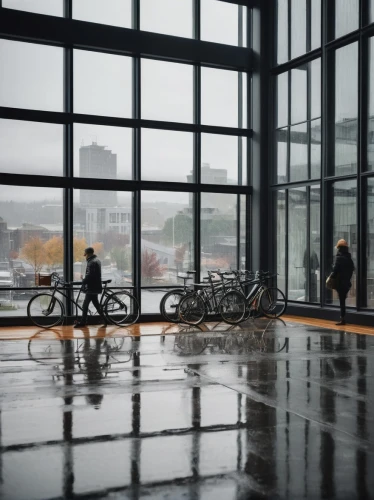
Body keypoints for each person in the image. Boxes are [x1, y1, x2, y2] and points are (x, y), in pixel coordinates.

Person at [74, 247, 107, 328]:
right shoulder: (97, 260)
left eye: (85, 255)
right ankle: (105, 320)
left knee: (85, 305)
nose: (85, 256)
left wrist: (83, 281)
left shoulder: (91, 262)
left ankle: (83, 322)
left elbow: (90, 276)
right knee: (96, 304)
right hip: (95, 286)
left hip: (91, 287)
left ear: (88, 254)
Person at [330, 239, 354, 326]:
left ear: (339, 248)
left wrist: (330, 277)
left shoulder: (338, 258)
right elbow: (352, 269)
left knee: (342, 301)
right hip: (347, 282)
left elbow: (335, 270)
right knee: (342, 300)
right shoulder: (349, 258)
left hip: (340, 283)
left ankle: (342, 319)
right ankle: (342, 318)